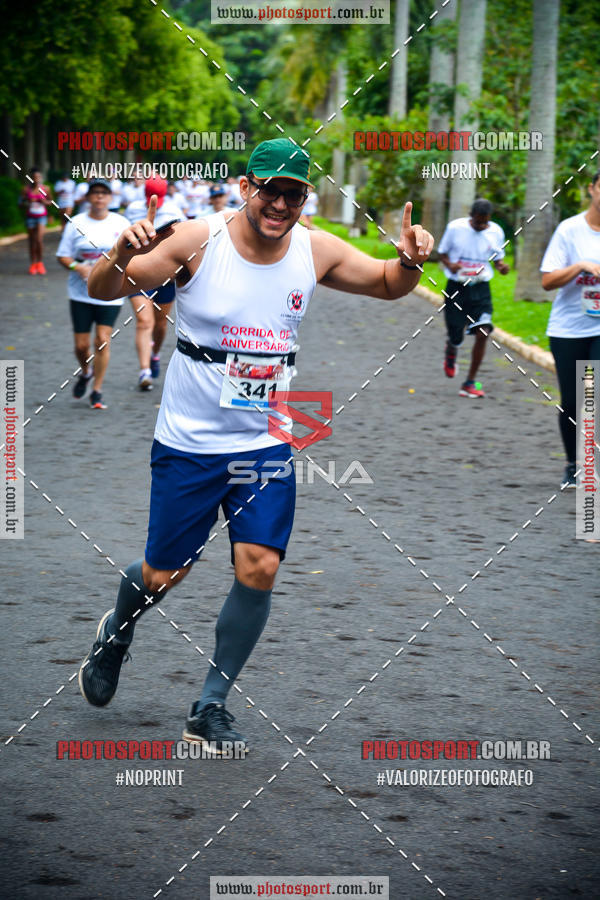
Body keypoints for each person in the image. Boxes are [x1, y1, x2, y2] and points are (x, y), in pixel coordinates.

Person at [78, 138, 433, 752]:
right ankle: (116, 632)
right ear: (247, 188)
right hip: (189, 442)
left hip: (265, 440)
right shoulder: (196, 239)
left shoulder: (312, 248)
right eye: (269, 189)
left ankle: (209, 706)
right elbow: (103, 287)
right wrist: (117, 253)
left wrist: (408, 260)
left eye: (293, 193)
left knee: (260, 566)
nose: (280, 203)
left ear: (304, 199)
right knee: (165, 573)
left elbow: (385, 284)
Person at [540, 170, 600, 488]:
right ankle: (572, 465)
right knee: (574, 400)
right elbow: (547, 280)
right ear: (592, 189)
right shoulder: (570, 230)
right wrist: (579, 267)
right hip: (568, 330)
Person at [56, 179, 130, 409]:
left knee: (102, 340)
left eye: (104, 193)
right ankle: (86, 372)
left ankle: (97, 390)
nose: (99, 197)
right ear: (88, 198)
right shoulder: (75, 223)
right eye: (95, 193)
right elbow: (63, 256)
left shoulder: (121, 223)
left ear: (110, 198)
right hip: (80, 293)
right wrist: (76, 267)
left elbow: (132, 255)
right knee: (80, 346)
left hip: (111, 293)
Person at [438, 199, 510, 397]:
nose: (481, 226)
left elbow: (497, 259)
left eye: (484, 223)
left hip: (481, 288)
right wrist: (450, 265)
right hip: (456, 288)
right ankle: (452, 347)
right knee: (456, 332)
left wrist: (502, 267)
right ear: (471, 216)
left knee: (483, 332)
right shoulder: (455, 228)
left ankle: (470, 382)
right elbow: (442, 253)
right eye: (477, 222)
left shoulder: (495, 231)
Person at [124, 176, 183, 389]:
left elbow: (183, 242)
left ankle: (155, 354)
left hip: (165, 275)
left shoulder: (175, 211)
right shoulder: (132, 210)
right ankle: (144, 371)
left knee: (159, 323)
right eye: (150, 197)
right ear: (144, 194)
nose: (154, 201)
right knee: (144, 321)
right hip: (137, 272)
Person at [20, 168, 52, 274]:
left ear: (41, 178)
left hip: (41, 217)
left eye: (38, 177)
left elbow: (51, 202)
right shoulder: (26, 189)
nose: (36, 179)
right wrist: (28, 202)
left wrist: (44, 202)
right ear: (30, 178)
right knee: (31, 241)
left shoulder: (45, 189)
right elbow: (20, 204)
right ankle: (33, 264)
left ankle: (40, 263)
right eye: (34, 177)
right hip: (30, 217)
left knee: (39, 239)